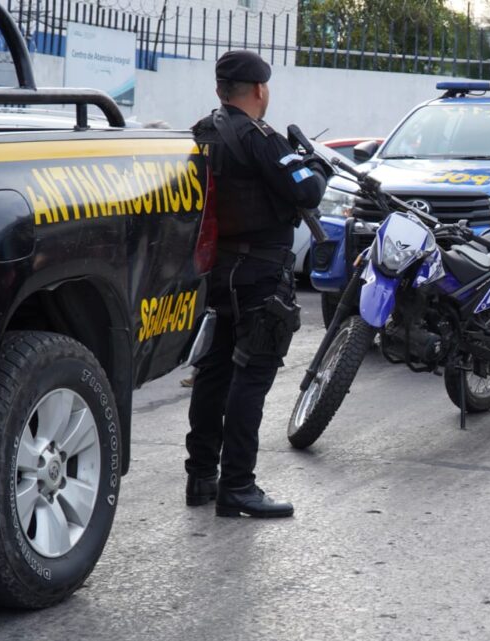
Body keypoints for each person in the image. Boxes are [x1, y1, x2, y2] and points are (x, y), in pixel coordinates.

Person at [185, 50, 331, 517]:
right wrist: (318, 166)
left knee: (214, 372)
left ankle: (201, 476)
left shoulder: (201, 133)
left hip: (217, 272)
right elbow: (307, 189)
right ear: (260, 90)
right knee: (252, 376)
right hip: (261, 275)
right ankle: (238, 486)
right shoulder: (261, 137)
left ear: (219, 90)